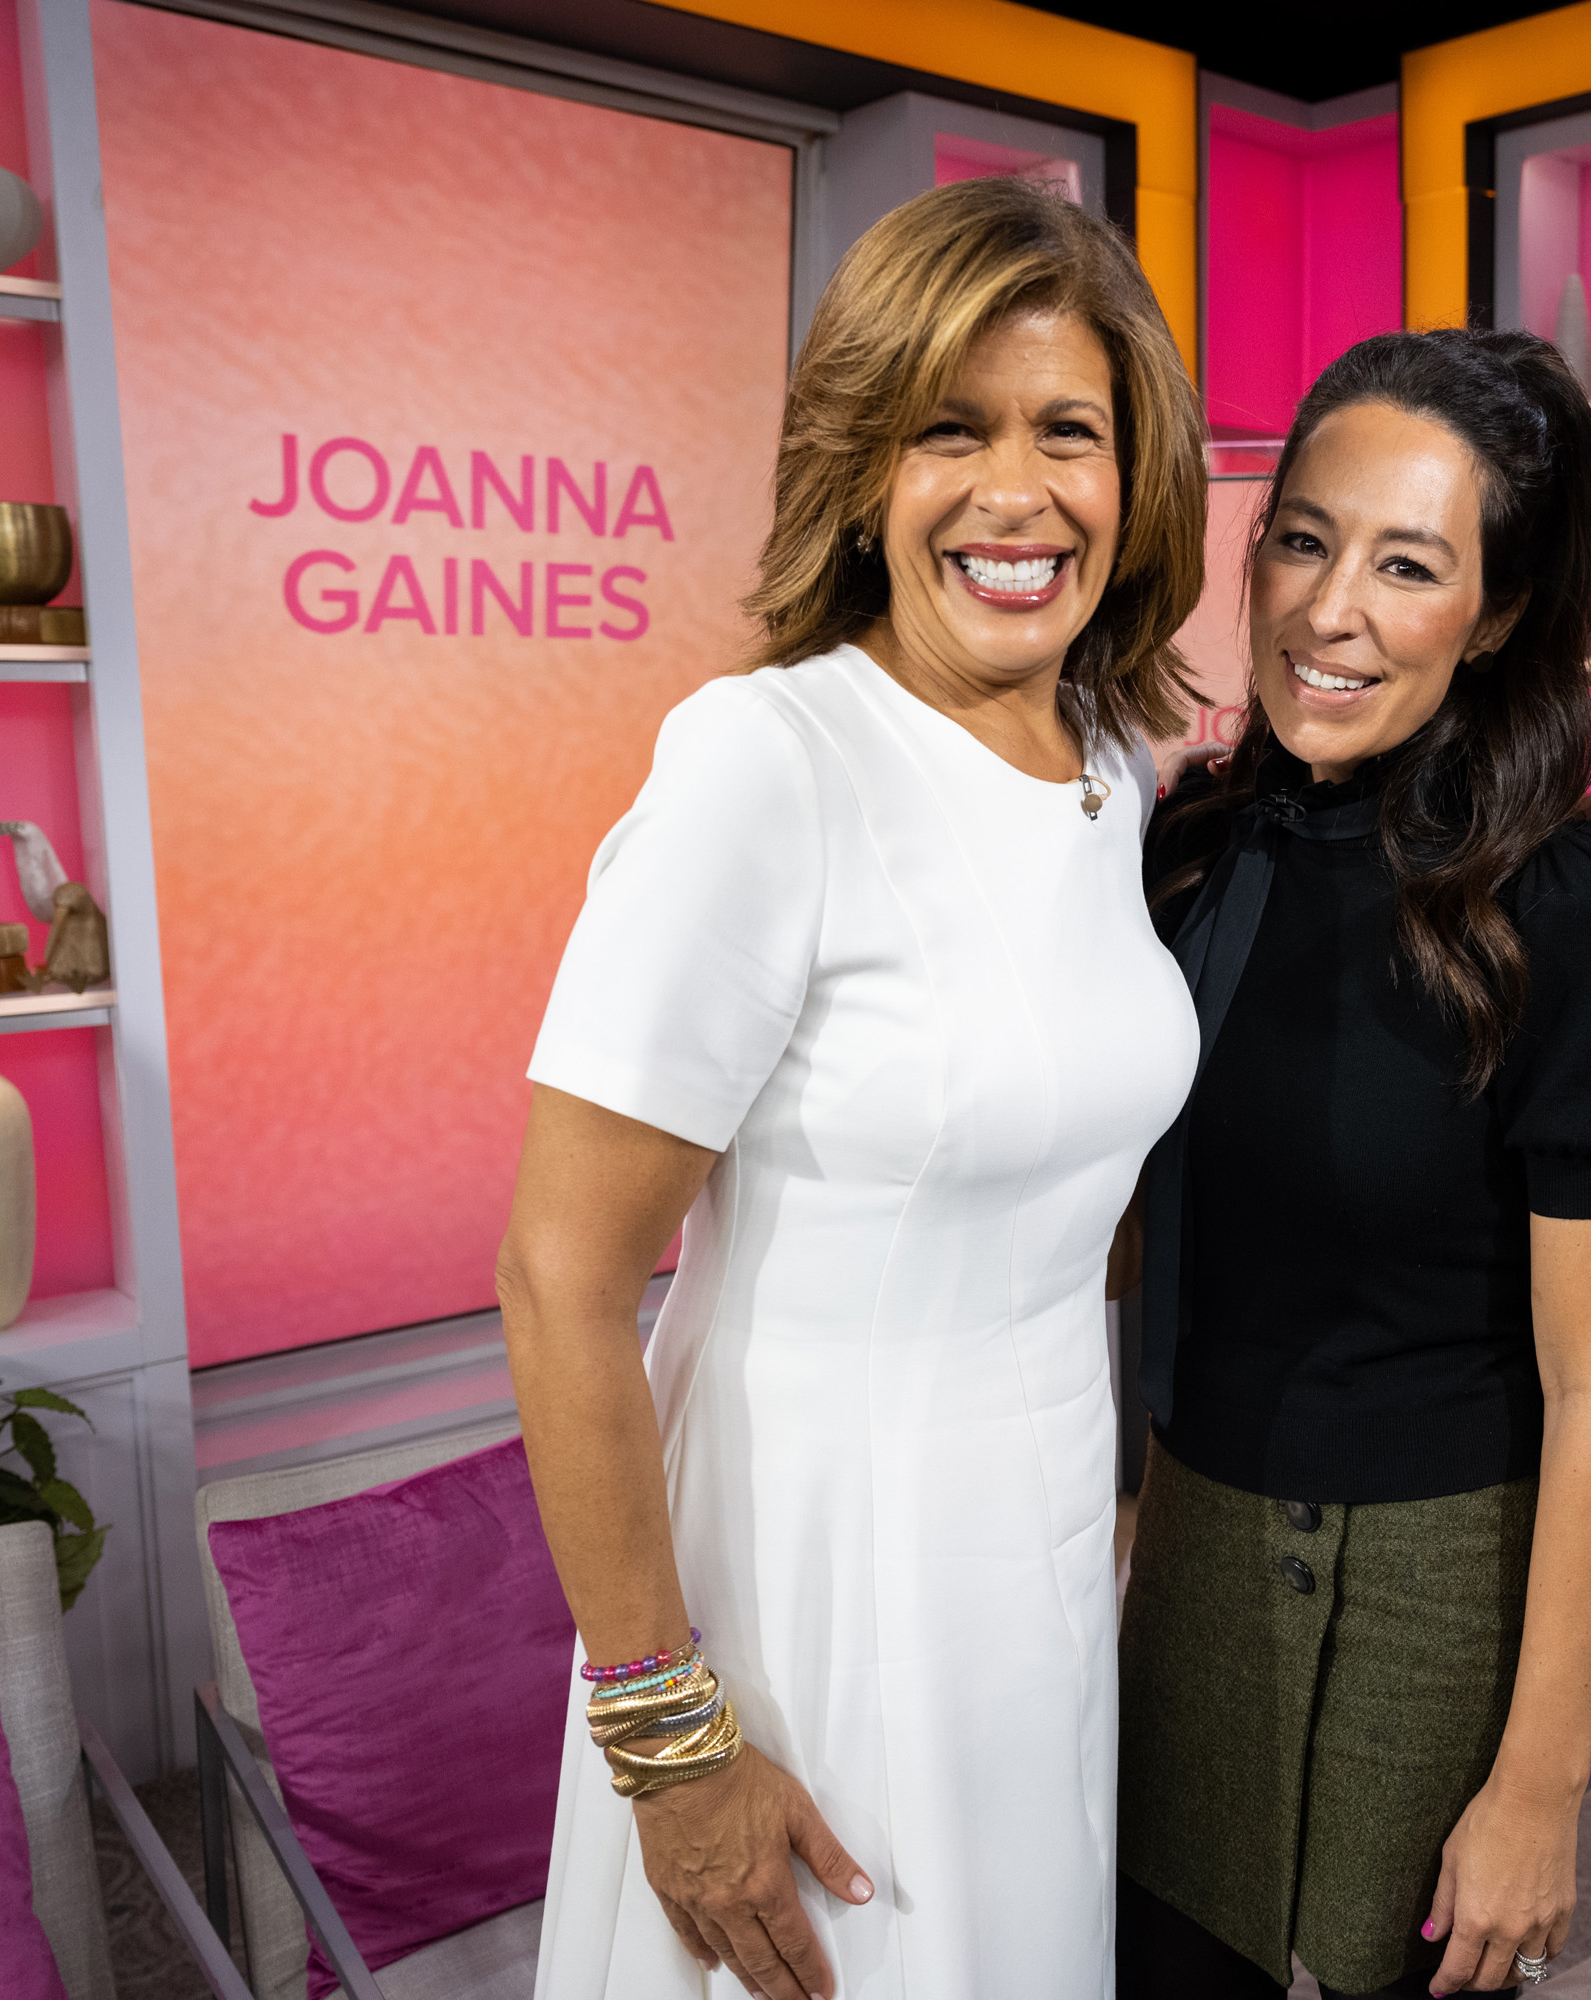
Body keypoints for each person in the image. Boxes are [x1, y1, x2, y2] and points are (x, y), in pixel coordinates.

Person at [501, 175, 1208, 2000]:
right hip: (817, 1564)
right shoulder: (770, 762)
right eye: (945, 432)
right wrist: (670, 1740)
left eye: (1069, 431)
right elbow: (562, 1282)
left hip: (1041, 1550)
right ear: (857, 468)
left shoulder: (1113, 765)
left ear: (1137, 478)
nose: (1014, 492)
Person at [1117, 329, 1591, 2000]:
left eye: (1409, 565)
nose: (1330, 611)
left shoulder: (1585, 915)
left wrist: (1542, 1783)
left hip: (1432, 1586)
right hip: (1189, 1553)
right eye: (1304, 541)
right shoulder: (1184, 849)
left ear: (1505, 610)